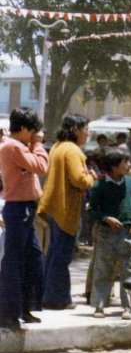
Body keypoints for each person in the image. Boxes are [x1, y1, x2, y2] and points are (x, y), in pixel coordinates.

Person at [38, 114, 96, 310]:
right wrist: (91, 177)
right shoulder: (72, 150)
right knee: (62, 256)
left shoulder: (57, 147)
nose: (87, 133)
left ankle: (46, 294)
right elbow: (79, 179)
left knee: (53, 253)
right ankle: (58, 298)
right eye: (85, 129)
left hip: (53, 207)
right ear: (75, 130)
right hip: (64, 209)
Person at [0, 108, 49, 329]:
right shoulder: (12, 147)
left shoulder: (20, 147)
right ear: (25, 129)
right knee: (14, 262)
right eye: (33, 131)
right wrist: (38, 144)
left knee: (32, 259)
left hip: (27, 208)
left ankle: (24, 307)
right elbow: (41, 167)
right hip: (18, 208)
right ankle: (9, 312)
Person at [88, 148, 131, 319]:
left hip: (127, 233)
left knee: (129, 271)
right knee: (103, 269)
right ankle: (99, 305)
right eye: (125, 162)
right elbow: (92, 211)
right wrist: (106, 218)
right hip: (107, 234)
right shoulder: (99, 186)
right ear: (113, 166)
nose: (129, 165)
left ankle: (128, 307)